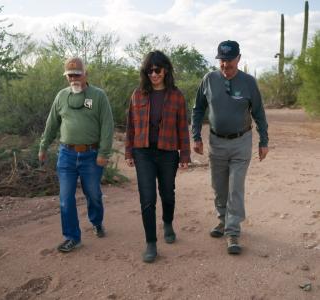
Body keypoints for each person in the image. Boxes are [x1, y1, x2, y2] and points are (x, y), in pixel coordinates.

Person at [192, 40, 269, 255]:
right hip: (216, 142)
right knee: (219, 187)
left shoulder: (249, 83)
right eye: (222, 60)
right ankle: (223, 219)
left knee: (235, 187)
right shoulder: (209, 79)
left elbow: (259, 113)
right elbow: (198, 109)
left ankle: (233, 231)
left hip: (241, 142)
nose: (225, 65)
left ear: (239, 59)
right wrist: (196, 136)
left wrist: (264, 141)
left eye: (229, 60)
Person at [38, 57, 114, 253]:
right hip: (66, 155)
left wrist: (104, 152)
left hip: (91, 155)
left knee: (93, 194)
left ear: (85, 74)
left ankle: (97, 222)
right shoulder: (61, 97)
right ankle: (72, 237)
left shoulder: (98, 96)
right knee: (65, 198)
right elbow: (51, 124)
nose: (74, 78)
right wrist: (43, 146)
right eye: (70, 75)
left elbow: (107, 126)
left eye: (77, 74)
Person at [125, 50, 190, 263]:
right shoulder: (138, 94)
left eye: (158, 70)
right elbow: (130, 126)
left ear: (166, 70)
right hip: (143, 151)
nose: (154, 74)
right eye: (150, 70)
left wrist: (184, 155)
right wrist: (128, 151)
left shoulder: (176, 96)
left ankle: (168, 222)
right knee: (147, 198)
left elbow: (182, 127)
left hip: (167, 151)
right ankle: (151, 243)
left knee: (168, 194)